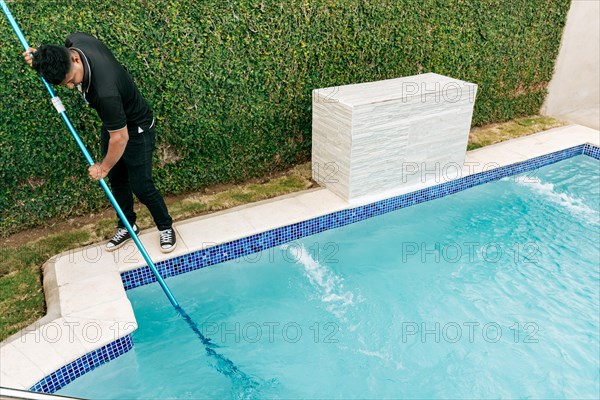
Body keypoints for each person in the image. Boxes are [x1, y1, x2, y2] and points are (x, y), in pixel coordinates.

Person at [23, 32, 177, 253]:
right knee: (117, 179)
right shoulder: (77, 43)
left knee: (141, 185)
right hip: (114, 123)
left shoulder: (105, 93)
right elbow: (62, 47)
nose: (69, 87)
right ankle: (127, 225)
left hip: (136, 129)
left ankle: (165, 226)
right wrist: (41, 57)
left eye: (71, 80)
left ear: (75, 60)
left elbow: (121, 138)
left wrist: (102, 167)